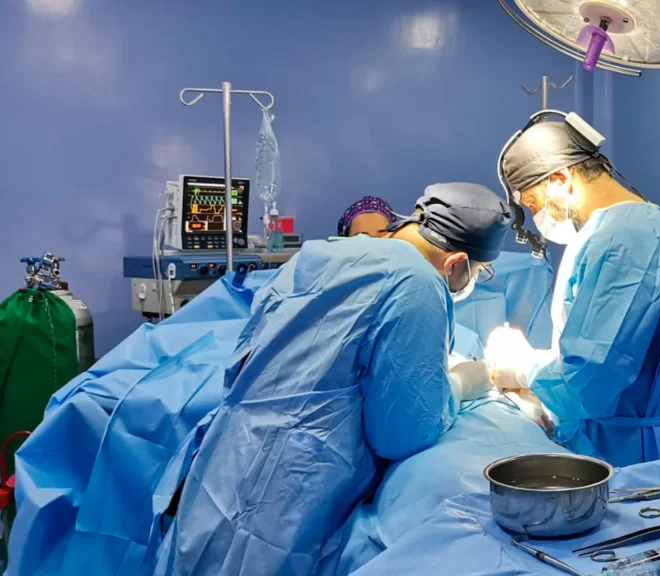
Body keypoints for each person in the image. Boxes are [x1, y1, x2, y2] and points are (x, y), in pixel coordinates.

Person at [156, 183, 509, 575]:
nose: (473, 281)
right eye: (479, 272)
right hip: (290, 488)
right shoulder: (418, 283)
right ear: (456, 263)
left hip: (226, 459)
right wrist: (460, 383)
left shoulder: (319, 253)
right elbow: (403, 433)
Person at [487, 115, 660, 467]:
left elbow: (589, 382)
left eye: (533, 204)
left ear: (561, 179)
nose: (537, 218)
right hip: (646, 444)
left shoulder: (625, 239)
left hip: (636, 458)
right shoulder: (643, 226)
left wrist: (519, 365)